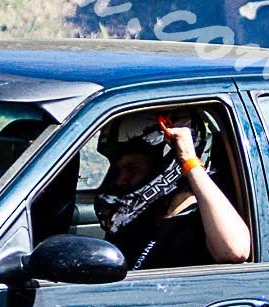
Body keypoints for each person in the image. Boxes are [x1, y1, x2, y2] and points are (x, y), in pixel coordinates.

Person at [94, 111, 252, 271]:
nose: (121, 180)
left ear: (166, 164)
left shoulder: (199, 218)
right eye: (118, 169)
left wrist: (189, 161)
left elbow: (234, 251)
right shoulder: (143, 217)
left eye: (133, 168)